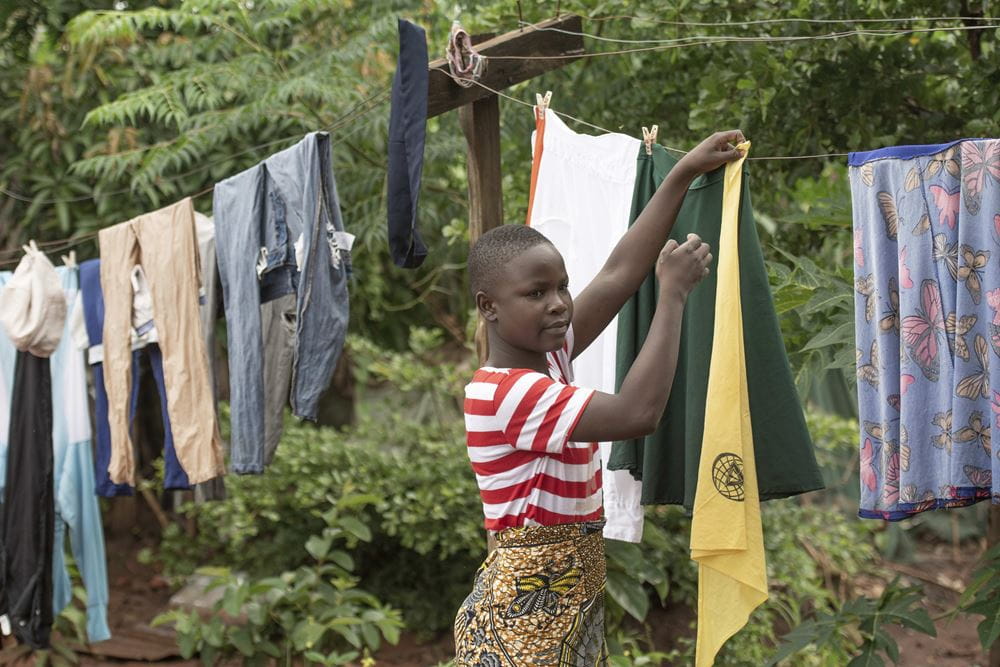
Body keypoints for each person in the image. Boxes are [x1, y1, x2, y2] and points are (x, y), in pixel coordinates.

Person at [454, 130, 746, 665]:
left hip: (564, 602)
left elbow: (618, 273)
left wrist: (682, 172)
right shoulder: (509, 393)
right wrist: (673, 296)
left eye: (562, 287)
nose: (559, 304)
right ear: (488, 307)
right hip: (527, 621)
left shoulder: (547, 362)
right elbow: (639, 413)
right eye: (536, 293)